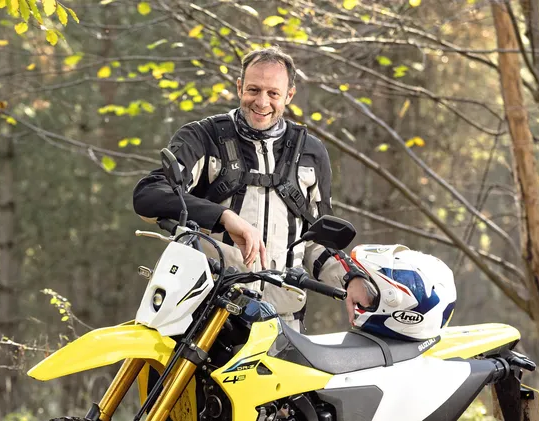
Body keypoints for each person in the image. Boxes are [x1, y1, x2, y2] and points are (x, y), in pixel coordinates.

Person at [133, 46, 376, 332]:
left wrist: (351, 279)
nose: (262, 102)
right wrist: (224, 217)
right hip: (203, 315)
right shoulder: (201, 137)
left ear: (289, 95)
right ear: (239, 87)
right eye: (253, 90)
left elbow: (315, 239)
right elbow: (149, 194)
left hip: (282, 324)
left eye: (273, 93)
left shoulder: (311, 152)